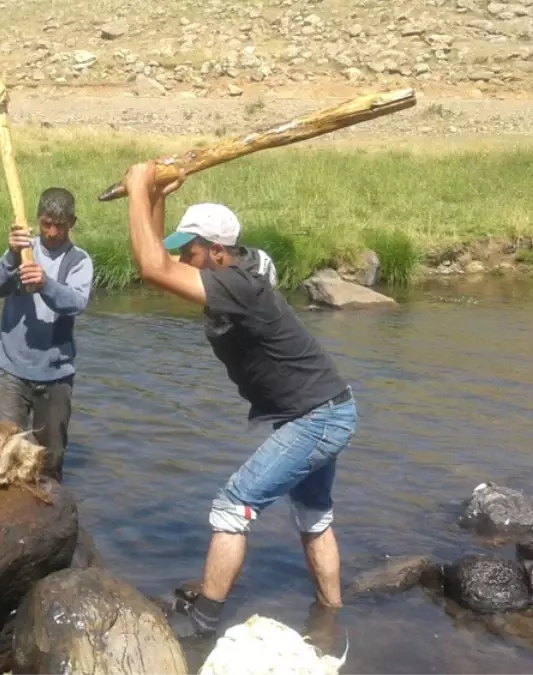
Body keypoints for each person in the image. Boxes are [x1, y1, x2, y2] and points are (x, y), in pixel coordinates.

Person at [120, 161, 357, 656]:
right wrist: (156, 193)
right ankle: (330, 618)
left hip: (316, 417)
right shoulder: (232, 270)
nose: (185, 256)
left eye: (193, 248)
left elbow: (151, 267)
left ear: (218, 252)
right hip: (327, 408)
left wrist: (137, 187)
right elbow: (159, 258)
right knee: (313, 516)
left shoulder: (236, 284)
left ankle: (205, 620)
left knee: (232, 506)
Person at [0, 187, 94, 482]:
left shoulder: (79, 260)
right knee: (5, 451)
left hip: (56, 375)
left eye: (60, 225)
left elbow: (75, 303)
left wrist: (45, 283)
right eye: (46, 223)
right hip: (12, 372)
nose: (53, 232)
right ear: (38, 220)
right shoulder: (21, 249)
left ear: (72, 222)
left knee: (49, 460)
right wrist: (11, 256)